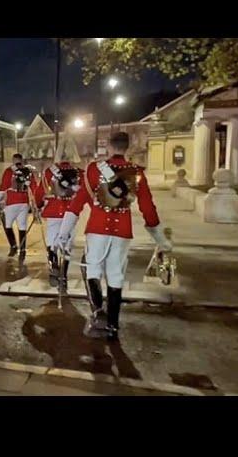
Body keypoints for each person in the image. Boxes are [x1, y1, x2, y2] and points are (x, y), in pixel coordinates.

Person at [56, 131, 173, 341]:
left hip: (98, 228)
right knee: (115, 275)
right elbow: (148, 207)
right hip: (122, 230)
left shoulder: (93, 170)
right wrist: (161, 240)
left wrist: (63, 234)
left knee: (92, 269)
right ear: (126, 147)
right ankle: (113, 325)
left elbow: (78, 202)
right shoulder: (136, 172)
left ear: (109, 147)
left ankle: (98, 313)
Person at [34, 159, 83, 292]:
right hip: (71, 213)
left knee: (51, 242)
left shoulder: (49, 172)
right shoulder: (79, 173)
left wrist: (38, 205)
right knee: (67, 245)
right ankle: (64, 276)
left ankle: (53, 264)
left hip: (53, 211)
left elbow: (39, 193)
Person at [0, 153, 37, 262]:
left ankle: (13, 246)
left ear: (13, 160)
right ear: (22, 161)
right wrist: (34, 204)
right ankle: (22, 250)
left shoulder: (9, 171)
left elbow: (3, 187)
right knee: (22, 226)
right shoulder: (28, 172)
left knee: (7, 225)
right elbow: (34, 187)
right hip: (24, 202)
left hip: (11, 202)